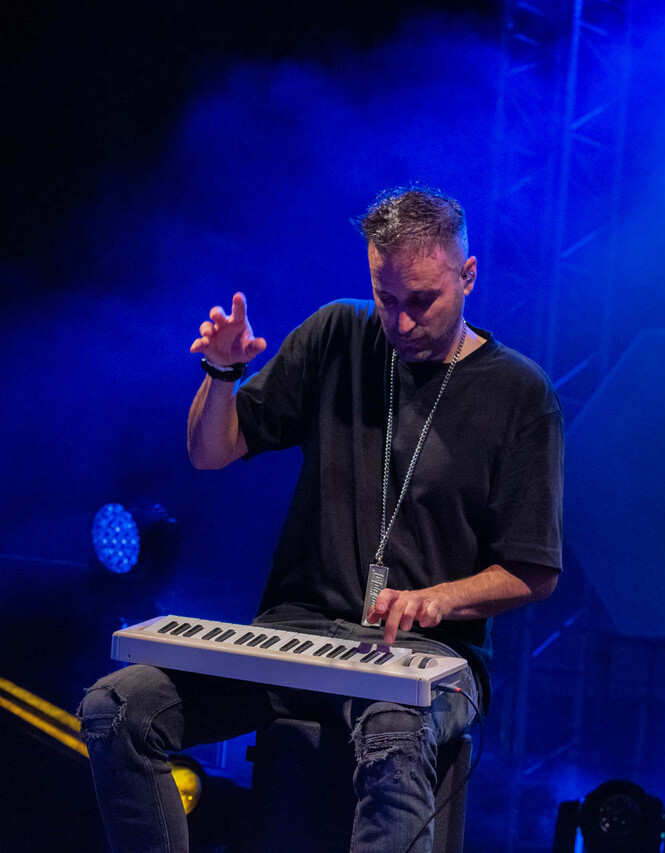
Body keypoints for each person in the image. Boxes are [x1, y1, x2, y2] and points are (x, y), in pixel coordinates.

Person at [78, 186, 564, 853]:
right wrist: (221, 373)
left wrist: (437, 599)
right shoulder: (338, 332)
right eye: (386, 298)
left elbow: (534, 571)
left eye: (422, 301)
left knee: (395, 737)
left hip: (429, 655)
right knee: (115, 710)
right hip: (295, 635)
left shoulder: (521, 392)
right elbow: (211, 450)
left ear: (468, 275)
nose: (401, 322)